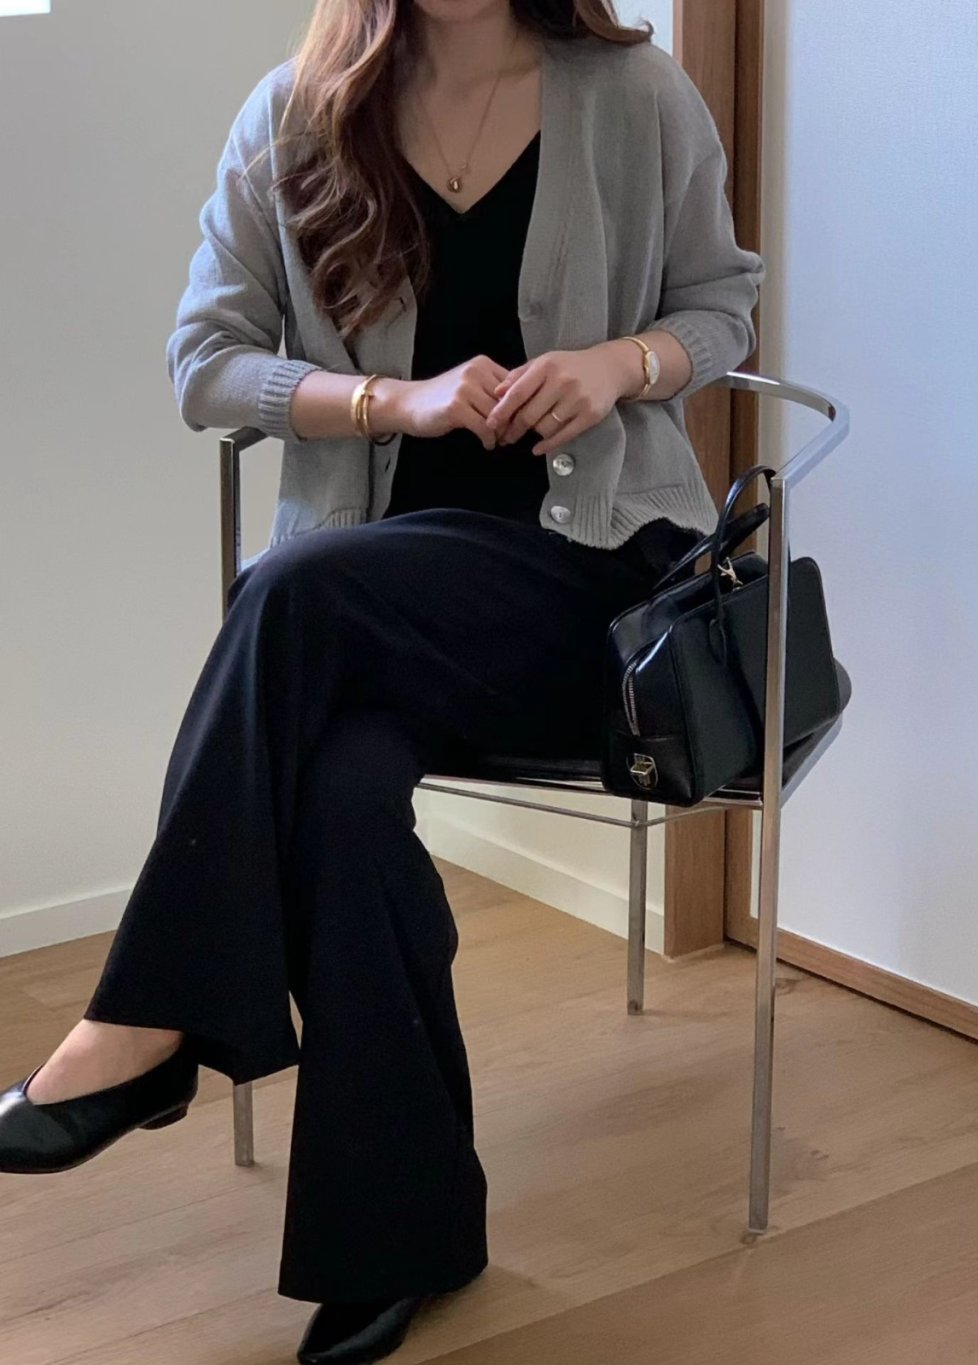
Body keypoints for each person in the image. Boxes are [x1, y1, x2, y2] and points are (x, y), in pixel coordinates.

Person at [0, 0, 764, 1360]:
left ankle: (144, 1022)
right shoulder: (292, 117)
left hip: (587, 599)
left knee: (287, 591)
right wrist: (386, 403)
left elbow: (723, 305)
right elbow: (205, 362)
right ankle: (405, 1236)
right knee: (343, 788)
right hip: (368, 616)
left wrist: (617, 365)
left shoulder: (634, 96)